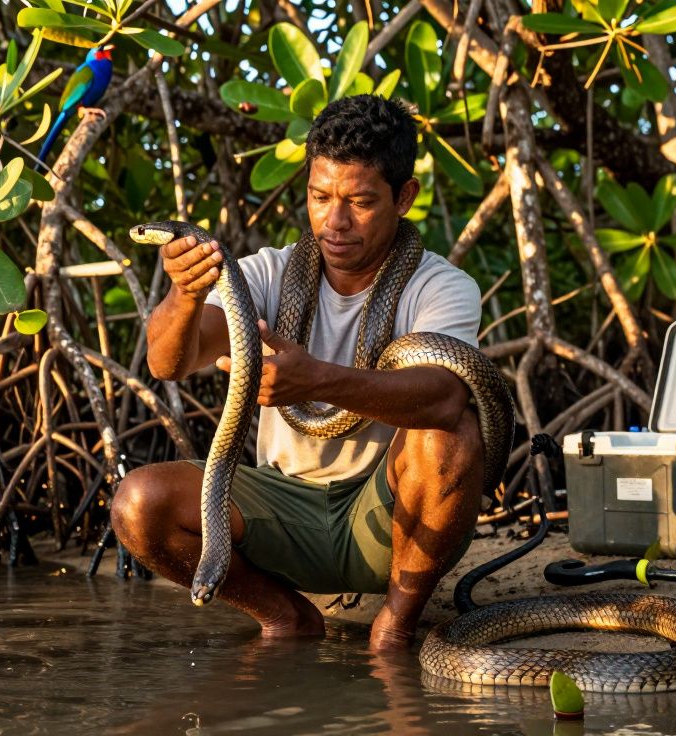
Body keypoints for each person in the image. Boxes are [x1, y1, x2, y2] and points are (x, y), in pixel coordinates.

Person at [111, 95, 485, 651]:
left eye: (360, 201)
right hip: (281, 509)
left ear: (404, 197)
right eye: (320, 196)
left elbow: (444, 398)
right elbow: (168, 362)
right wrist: (184, 292)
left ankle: (394, 629)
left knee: (453, 432)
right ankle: (287, 618)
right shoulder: (266, 273)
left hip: (389, 519)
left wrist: (317, 380)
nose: (335, 222)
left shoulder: (440, 287)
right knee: (138, 503)